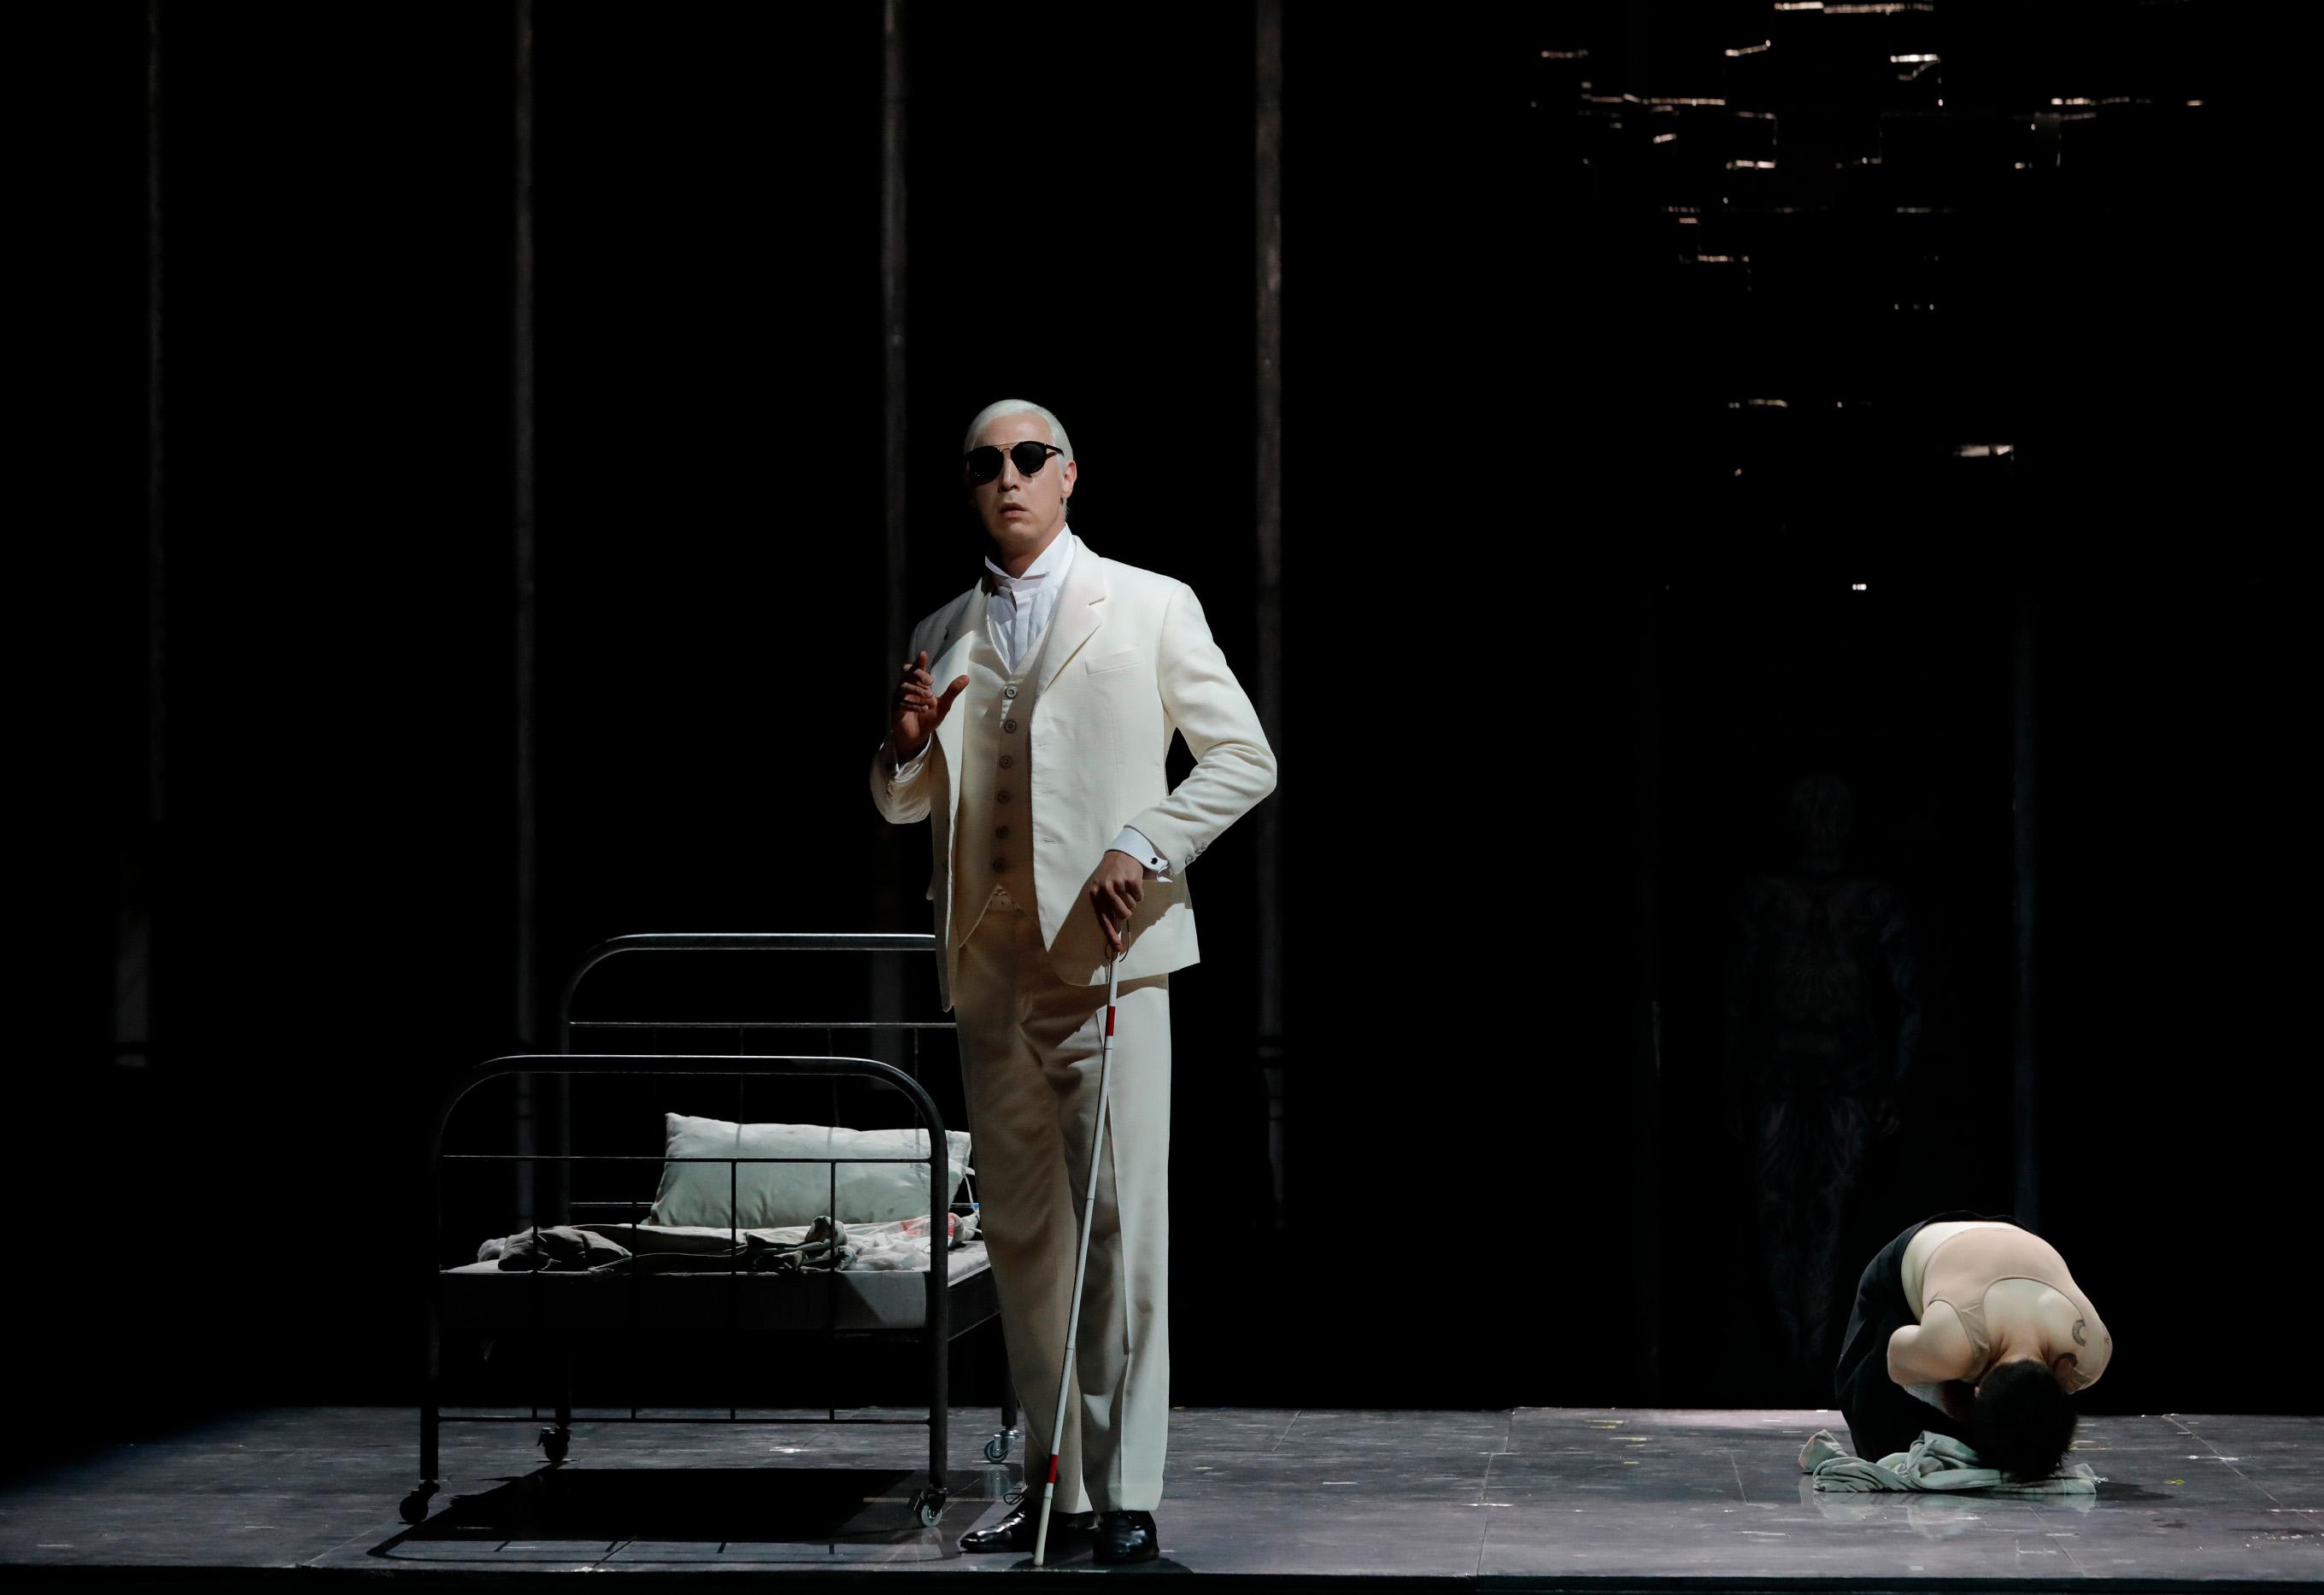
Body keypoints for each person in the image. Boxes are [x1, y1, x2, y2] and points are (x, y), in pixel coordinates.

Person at [869, 398, 1277, 1563]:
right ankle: (1060, 1487)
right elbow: (911, 803)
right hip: (989, 964)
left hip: (1105, 958)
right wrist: (905, 751)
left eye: (1028, 457)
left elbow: (1244, 754)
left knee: (1119, 1230)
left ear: (1067, 474)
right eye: (985, 463)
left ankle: (1127, 1485)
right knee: (1021, 1236)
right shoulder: (945, 629)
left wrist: (1143, 842)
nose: (1007, 476)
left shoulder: (1148, 603)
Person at [1834, 1212, 2113, 1480]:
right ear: (1976, 1391)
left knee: (2026, 1434)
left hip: (2014, 1240)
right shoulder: (1952, 1344)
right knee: (1883, 1440)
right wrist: (1952, 1379)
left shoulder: (2090, 1357)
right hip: (1924, 1249)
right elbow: (1894, 1356)